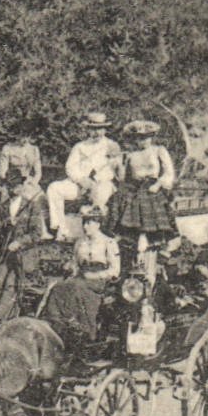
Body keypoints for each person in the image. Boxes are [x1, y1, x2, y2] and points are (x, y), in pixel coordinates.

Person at [111, 120, 177, 286]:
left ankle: (159, 246)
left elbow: (169, 172)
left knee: (151, 204)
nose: (143, 141)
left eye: (146, 137)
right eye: (139, 138)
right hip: (134, 188)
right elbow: (123, 178)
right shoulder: (130, 155)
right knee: (124, 202)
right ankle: (130, 243)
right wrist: (118, 166)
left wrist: (159, 184)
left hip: (153, 187)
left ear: (151, 137)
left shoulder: (159, 151)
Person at [46, 112, 122, 240]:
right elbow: (70, 167)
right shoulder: (80, 146)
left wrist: (96, 181)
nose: (97, 132)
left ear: (105, 129)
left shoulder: (112, 146)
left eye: (100, 129)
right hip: (80, 184)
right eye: (93, 129)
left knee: (101, 193)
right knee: (54, 188)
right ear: (88, 130)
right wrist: (81, 180)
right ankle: (61, 229)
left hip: (102, 183)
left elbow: (114, 169)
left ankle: (96, 232)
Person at [39, 258, 107, 361]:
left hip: (97, 276)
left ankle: (84, 331)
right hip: (81, 276)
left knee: (75, 288)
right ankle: (64, 322)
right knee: (63, 287)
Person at [73, 212, 121, 285]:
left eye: (88, 223)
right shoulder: (79, 243)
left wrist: (95, 276)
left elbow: (115, 270)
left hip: (99, 281)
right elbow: (75, 264)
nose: (85, 226)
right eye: (83, 223)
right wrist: (73, 268)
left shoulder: (109, 242)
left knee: (74, 288)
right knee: (59, 287)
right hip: (81, 279)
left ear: (98, 225)